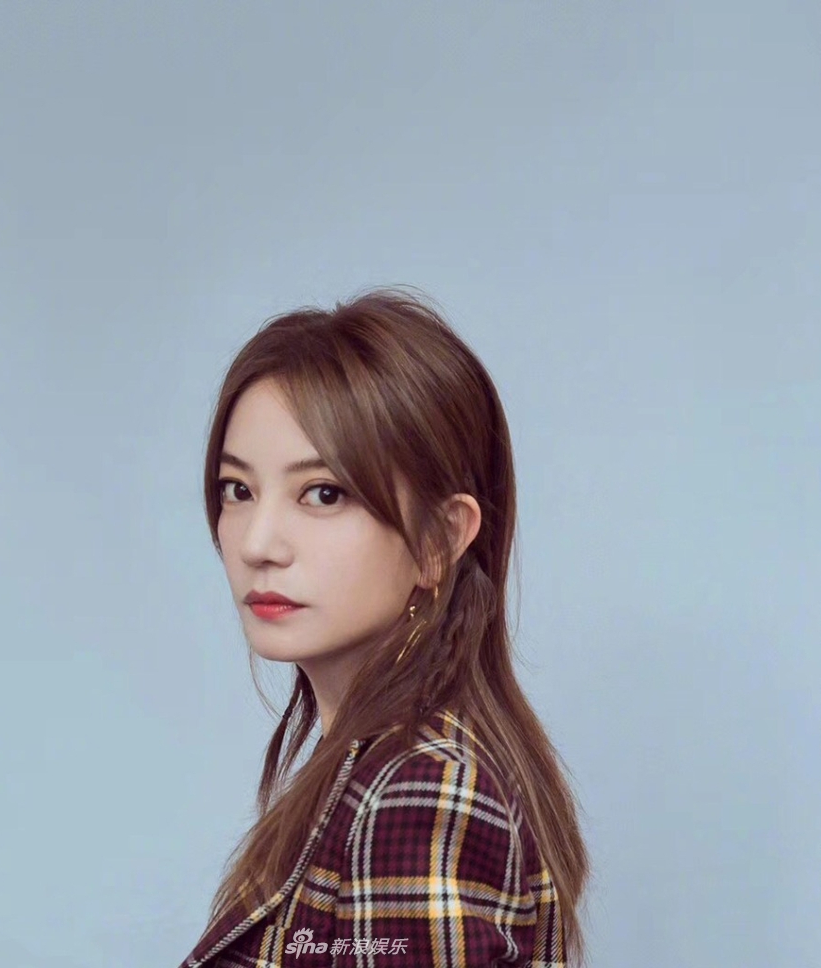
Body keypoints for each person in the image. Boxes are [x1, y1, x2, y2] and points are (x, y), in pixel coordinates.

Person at [178, 287, 589, 967]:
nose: (257, 543)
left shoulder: (422, 793)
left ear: (438, 539)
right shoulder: (371, 767)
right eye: (238, 490)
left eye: (324, 493)